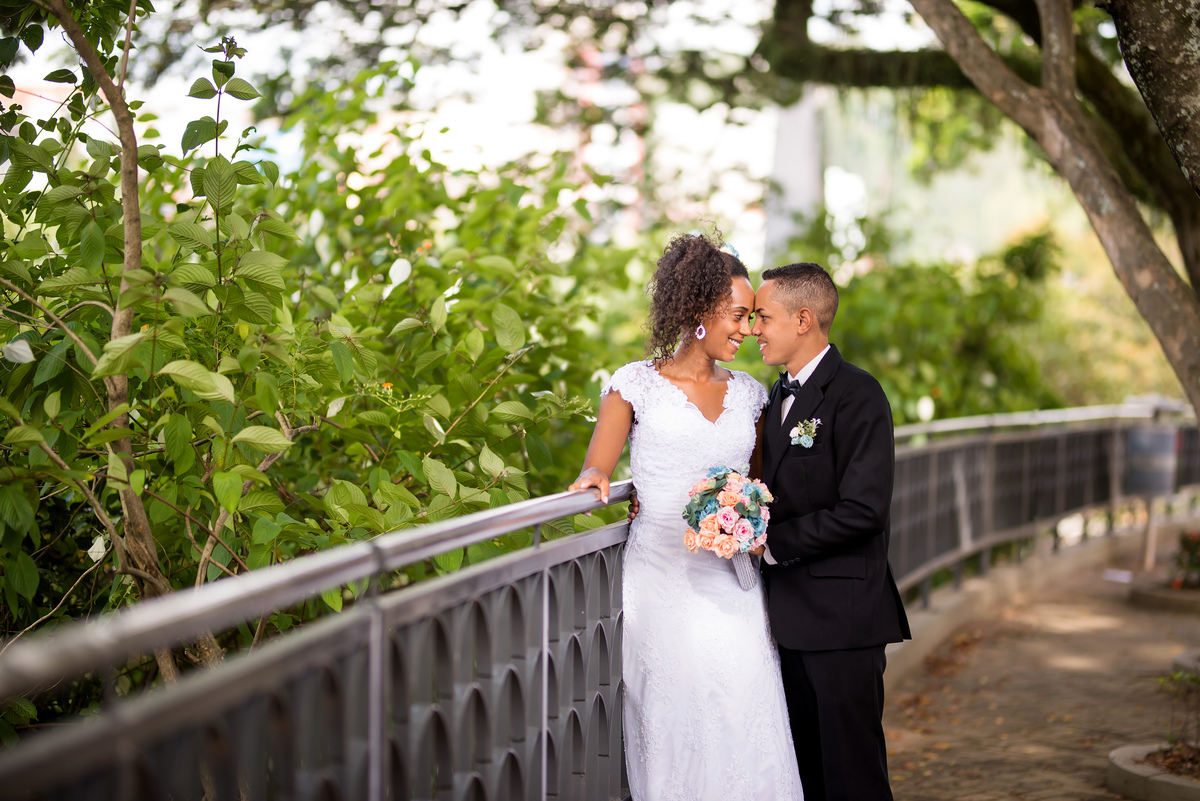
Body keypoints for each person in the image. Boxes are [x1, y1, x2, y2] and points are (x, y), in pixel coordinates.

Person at [569, 232, 803, 800]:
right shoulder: (634, 385)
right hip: (661, 577)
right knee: (675, 713)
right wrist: (597, 478)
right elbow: (597, 466)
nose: (748, 329)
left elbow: (761, 488)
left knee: (744, 702)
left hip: (732, 577)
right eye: (739, 315)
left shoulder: (752, 395)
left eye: (753, 318)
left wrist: (746, 515)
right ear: (700, 310)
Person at [750, 262, 911, 801]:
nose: (753, 329)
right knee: (806, 778)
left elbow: (864, 510)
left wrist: (774, 545)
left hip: (843, 621)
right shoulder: (773, 397)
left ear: (803, 319)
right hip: (785, 620)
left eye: (763, 317)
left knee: (853, 777)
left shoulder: (859, 394)